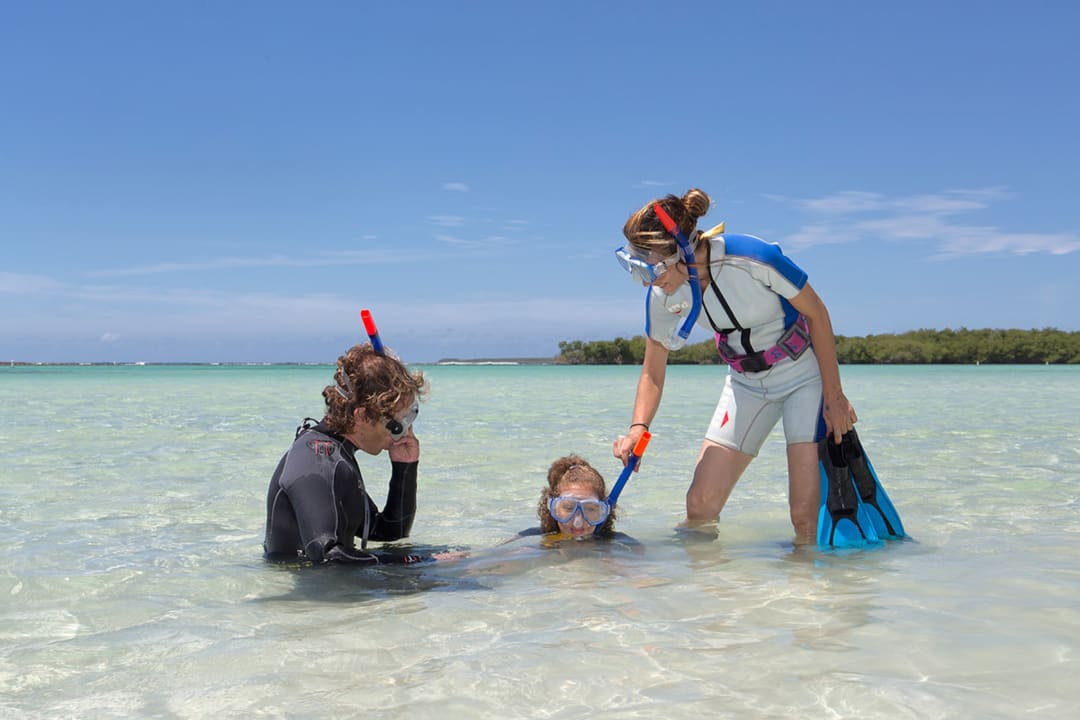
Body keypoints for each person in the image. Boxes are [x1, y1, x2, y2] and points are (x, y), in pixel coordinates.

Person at [611, 188, 857, 544]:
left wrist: (834, 397)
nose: (646, 279)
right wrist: (637, 428)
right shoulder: (663, 296)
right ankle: (710, 593)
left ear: (682, 248)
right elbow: (652, 372)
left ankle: (808, 595)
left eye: (649, 266)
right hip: (744, 382)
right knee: (699, 506)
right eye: (634, 266)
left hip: (803, 375)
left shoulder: (753, 257)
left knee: (804, 516)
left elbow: (816, 313)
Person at [263, 342, 439, 565]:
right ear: (362, 416)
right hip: (310, 596)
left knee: (466, 557)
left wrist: (405, 467)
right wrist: (415, 561)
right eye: (398, 424)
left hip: (332, 589)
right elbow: (327, 555)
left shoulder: (337, 456)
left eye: (410, 417)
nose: (405, 431)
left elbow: (388, 531)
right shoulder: (317, 460)